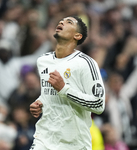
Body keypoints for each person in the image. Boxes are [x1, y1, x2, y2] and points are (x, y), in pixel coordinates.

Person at [29, 16, 105, 150]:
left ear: (77, 35)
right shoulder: (43, 61)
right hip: (44, 138)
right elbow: (48, 94)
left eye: (69, 22)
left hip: (74, 144)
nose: (61, 22)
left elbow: (98, 104)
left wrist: (64, 89)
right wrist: (39, 103)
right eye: (61, 21)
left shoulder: (86, 63)